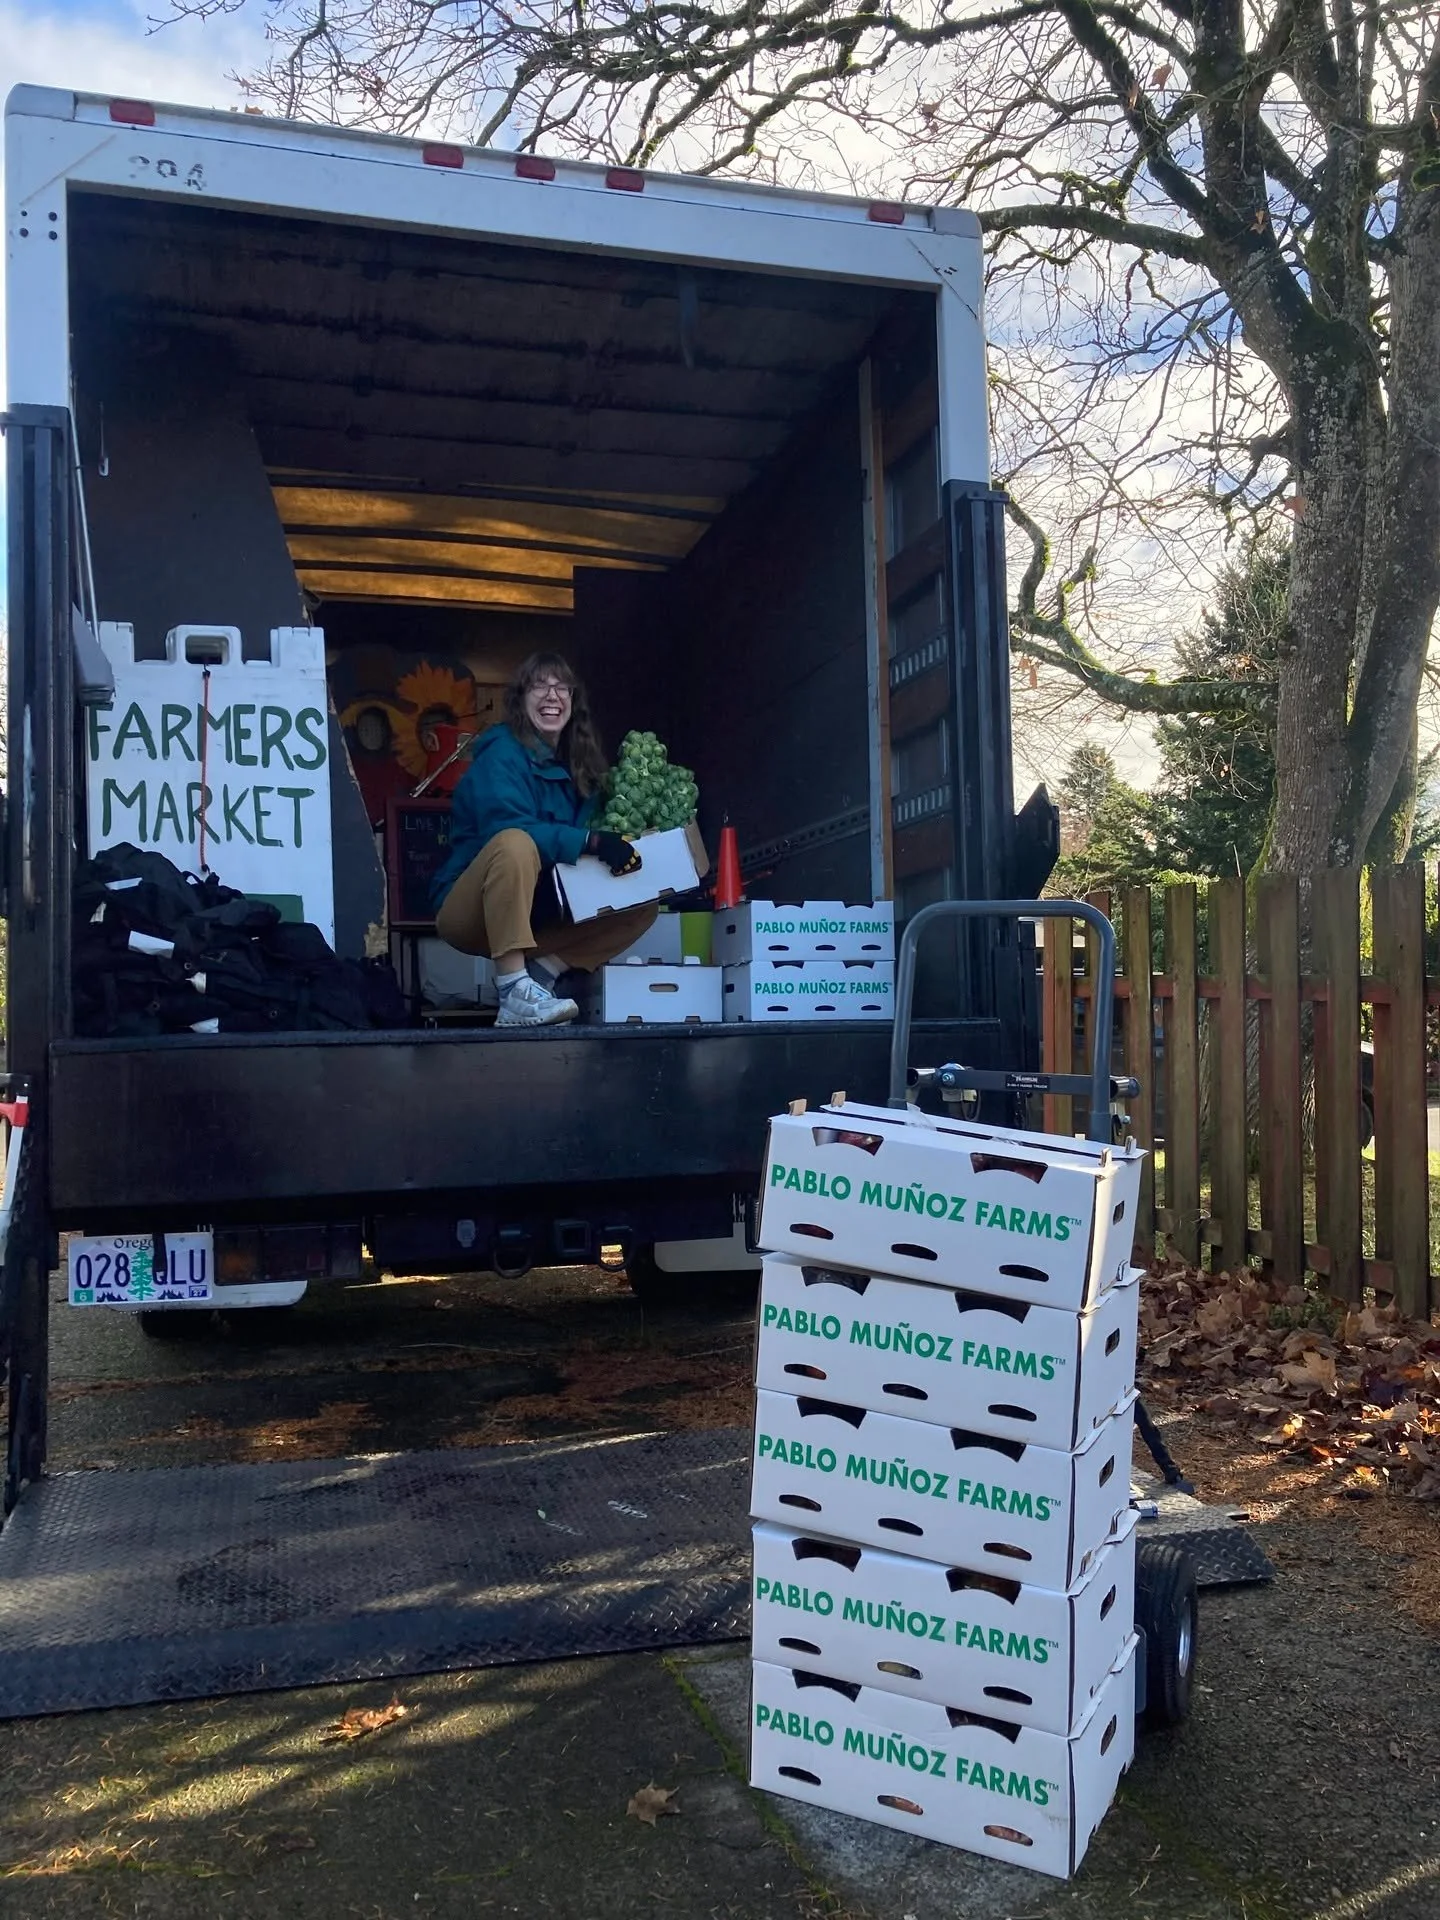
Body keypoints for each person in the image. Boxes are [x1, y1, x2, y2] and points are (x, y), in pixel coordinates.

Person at [430, 653, 657, 1026]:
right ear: (521, 699)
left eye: (560, 687)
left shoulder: (579, 765)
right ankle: (513, 989)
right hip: (474, 910)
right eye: (539, 686)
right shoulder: (501, 752)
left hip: (542, 907)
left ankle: (542, 975)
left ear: (573, 700)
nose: (551, 695)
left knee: (643, 900)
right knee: (515, 843)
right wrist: (592, 841)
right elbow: (506, 829)